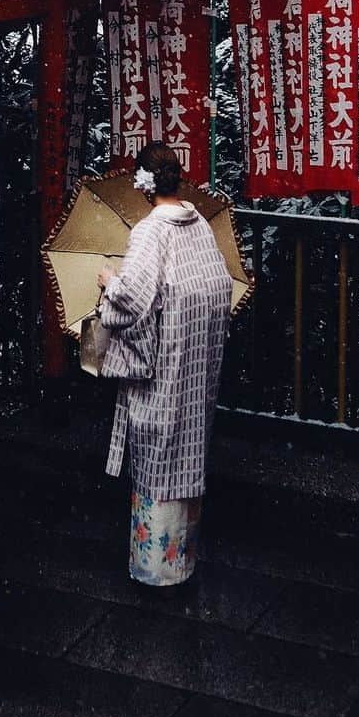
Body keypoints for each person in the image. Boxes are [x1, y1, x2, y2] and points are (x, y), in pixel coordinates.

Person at [96, 141, 232, 589]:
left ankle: (156, 570)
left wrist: (108, 284)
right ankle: (182, 561)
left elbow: (131, 302)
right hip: (196, 366)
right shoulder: (198, 226)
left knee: (157, 456)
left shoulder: (151, 231)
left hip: (163, 368)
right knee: (188, 454)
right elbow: (215, 287)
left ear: (143, 184)